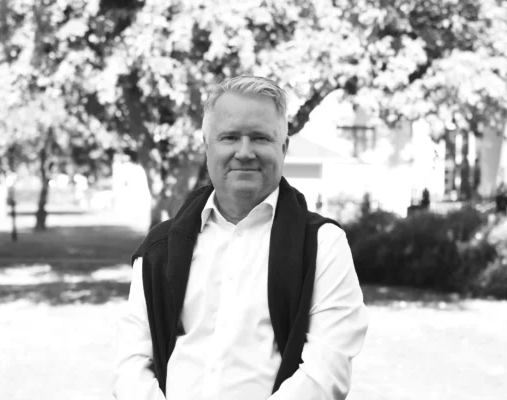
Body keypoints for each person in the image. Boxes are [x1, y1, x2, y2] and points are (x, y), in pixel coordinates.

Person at [113, 76, 369, 400]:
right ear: (207, 147)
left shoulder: (323, 245)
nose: (244, 152)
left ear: (283, 148)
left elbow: (325, 373)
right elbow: (131, 364)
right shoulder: (159, 249)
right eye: (230, 137)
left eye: (260, 138)